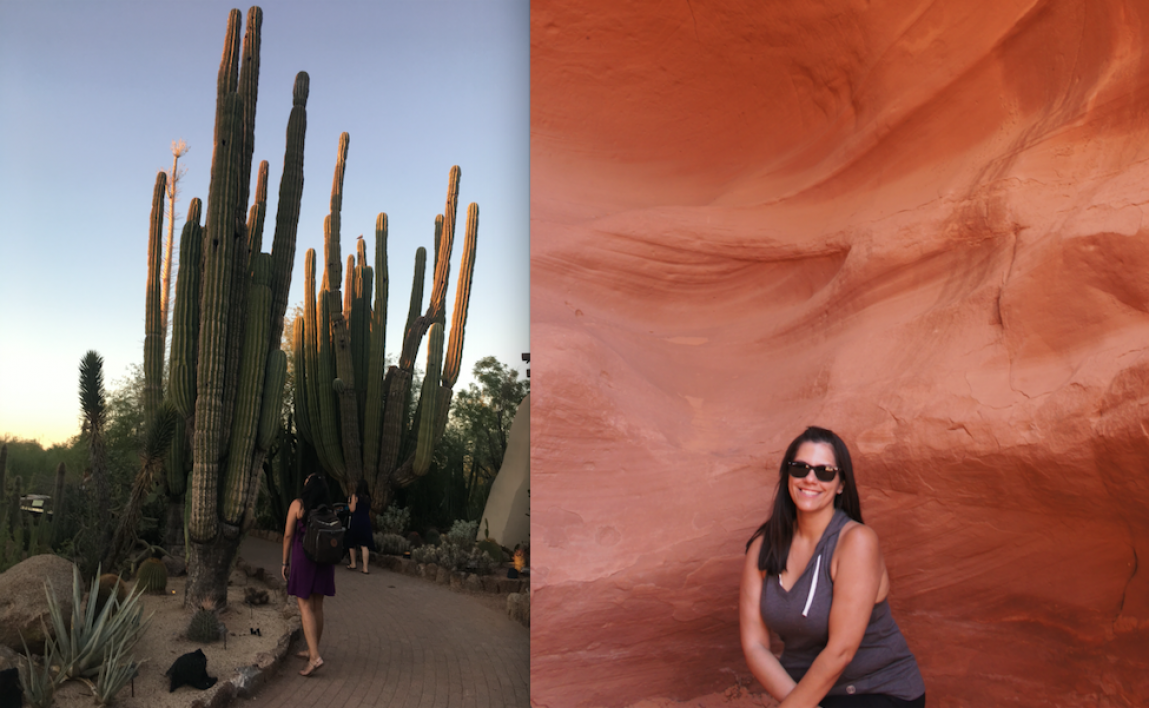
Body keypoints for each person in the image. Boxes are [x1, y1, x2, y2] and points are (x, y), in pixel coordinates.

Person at [740, 427, 925, 708]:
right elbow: (755, 646)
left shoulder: (856, 542)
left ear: (840, 484)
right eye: (800, 468)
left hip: (876, 691)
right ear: (787, 475)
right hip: (807, 696)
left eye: (825, 471)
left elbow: (841, 651)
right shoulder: (763, 548)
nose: (810, 479)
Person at [282, 473, 336, 677]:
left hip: (304, 559)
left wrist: (284, 561)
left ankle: (314, 657)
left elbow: (288, 534)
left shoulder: (298, 504)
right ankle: (313, 649)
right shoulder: (329, 508)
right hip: (324, 561)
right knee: (317, 606)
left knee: (304, 605)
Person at [345, 478, 376, 573]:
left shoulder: (355, 496)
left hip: (356, 521)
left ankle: (353, 564)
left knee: (351, 542)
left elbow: (352, 509)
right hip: (366, 521)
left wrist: (349, 502)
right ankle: (365, 568)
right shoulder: (368, 498)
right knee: (364, 545)